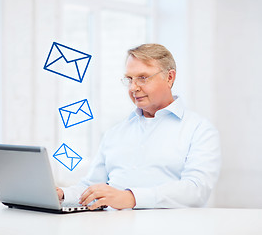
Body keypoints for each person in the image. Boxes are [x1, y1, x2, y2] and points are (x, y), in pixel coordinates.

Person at [56, 43, 221, 210]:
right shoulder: (115, 133)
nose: (133, 87)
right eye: (129, 79)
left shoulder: (199, 130)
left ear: (169, 78)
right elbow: (92, 186)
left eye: (143, 78)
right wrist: (63, 194)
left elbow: (196, 190)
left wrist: (132, 198)